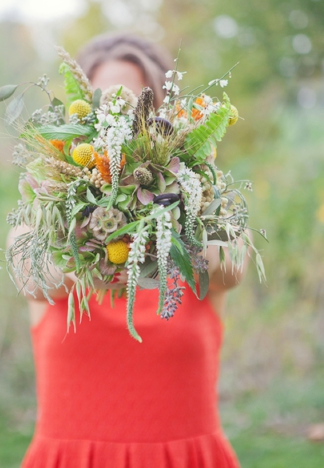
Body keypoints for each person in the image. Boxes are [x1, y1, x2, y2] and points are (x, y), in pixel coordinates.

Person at [15, 33, 245, 467]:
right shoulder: (39, 223)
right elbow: (39, 276)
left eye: (136, 105)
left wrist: (177, 208)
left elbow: (232, 267)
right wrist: (96, 236)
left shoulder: (206, 214)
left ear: (163, 115)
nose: (118, 119)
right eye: (106, 106)